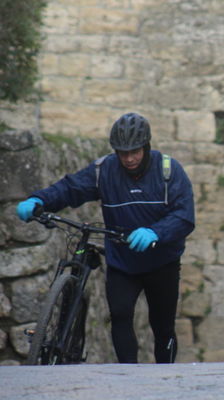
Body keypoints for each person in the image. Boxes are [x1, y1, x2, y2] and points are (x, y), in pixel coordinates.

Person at [16, 112, 195, 363]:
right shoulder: (105, 170)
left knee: (162, 326)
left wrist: (156, 232)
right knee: (120, 315)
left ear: (146, 146)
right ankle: (128, 376)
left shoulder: (168, 170)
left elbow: (184, 215)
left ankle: (164, 376)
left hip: (161, 262)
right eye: (123, 152)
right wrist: (40, 200)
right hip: (123, 262)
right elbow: (71, 188)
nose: (129, 158)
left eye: (135, 151)